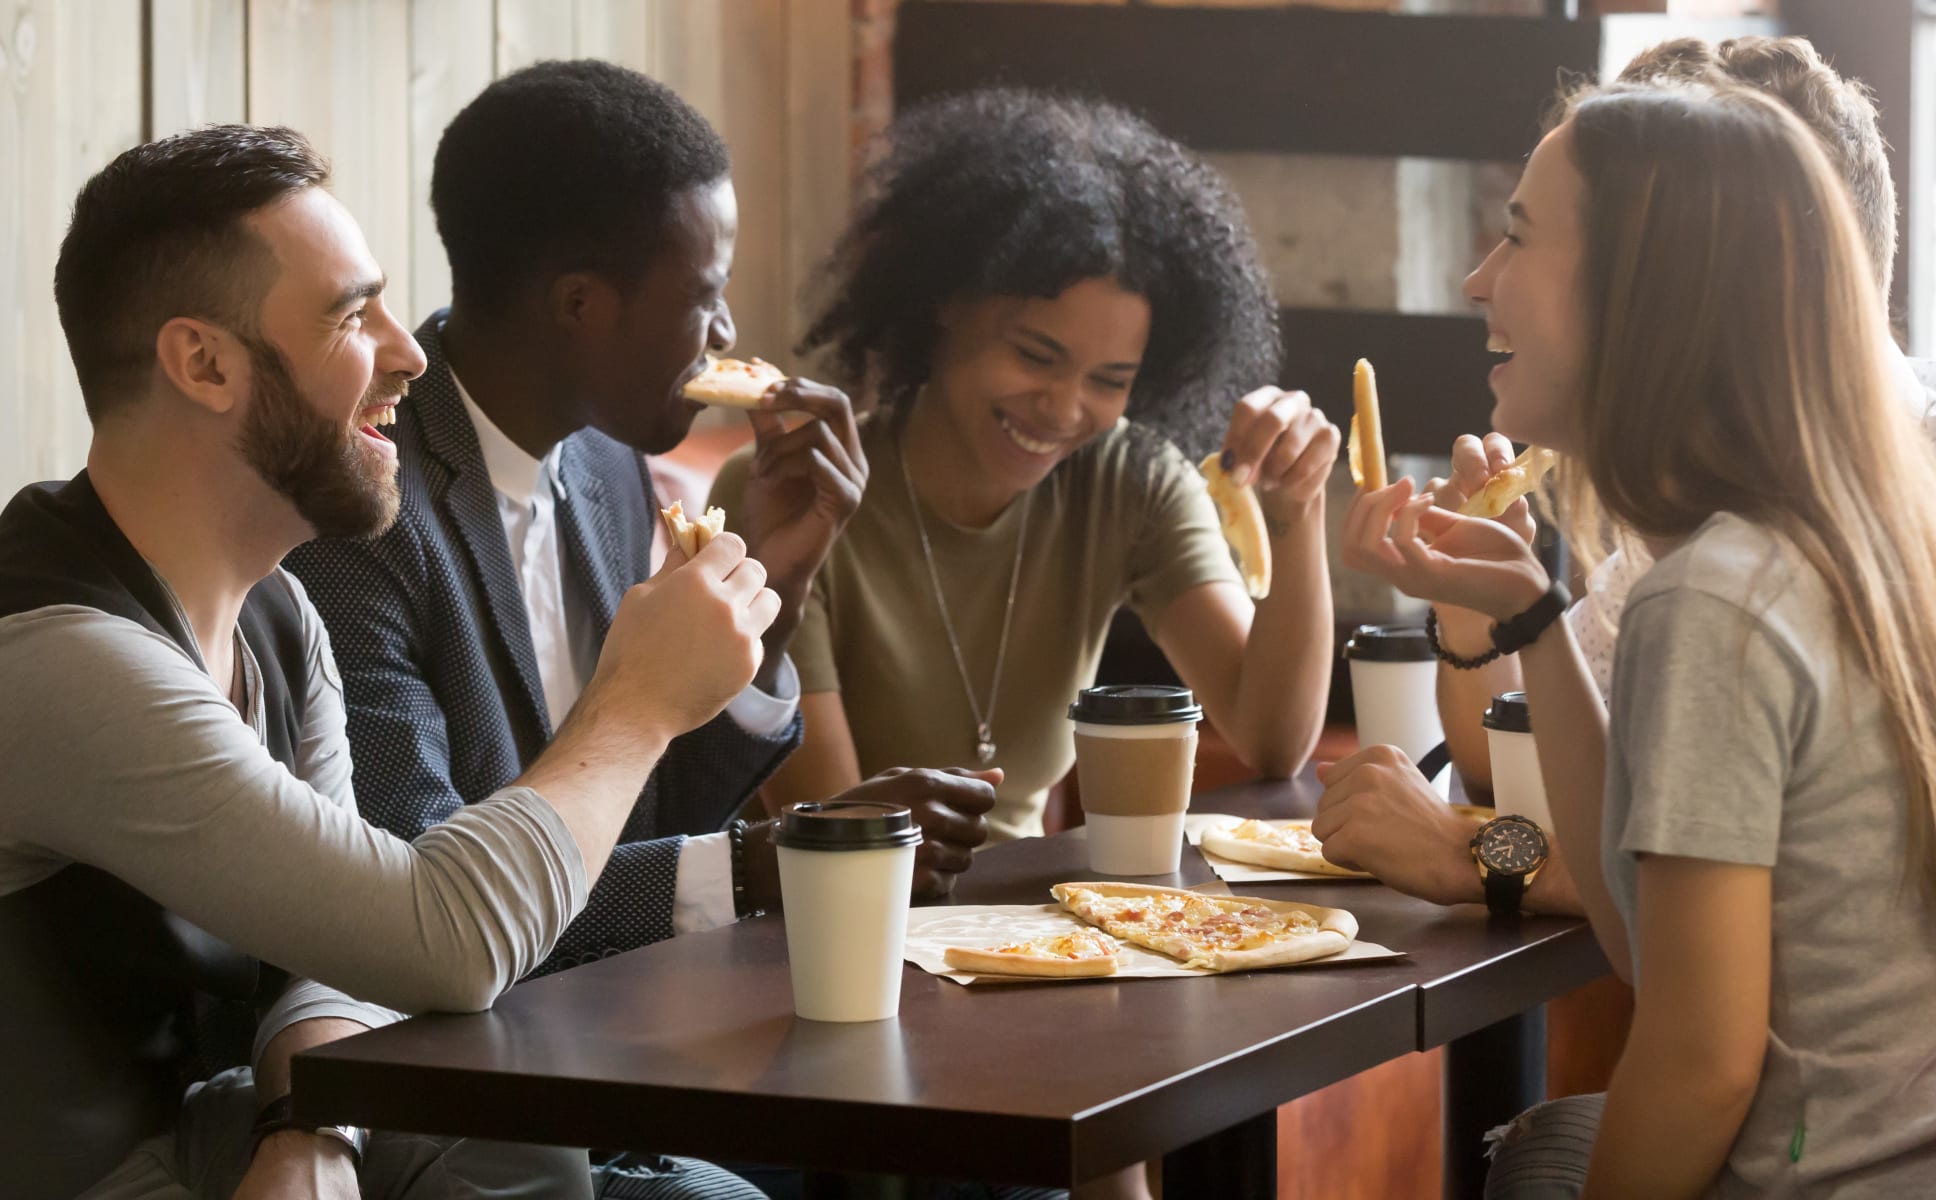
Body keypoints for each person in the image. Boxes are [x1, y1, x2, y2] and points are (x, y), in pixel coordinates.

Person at [1, 124, 779, 1199]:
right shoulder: (57, 658)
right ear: (205, 364)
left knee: (568, 1142)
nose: (408, 352)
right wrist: (636, 703)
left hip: (218, 1130)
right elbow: (440, 938)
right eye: (348, 315)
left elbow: (329, 948)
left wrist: (305, 1130)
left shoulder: (279, 610)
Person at [1338, 77, 1936, 1196]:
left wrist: (1472, 856)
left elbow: (1695, 1068)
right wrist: (1533, 621)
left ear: (1642, 297)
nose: (1473, 281)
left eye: (1515, 238)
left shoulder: (1714, 601)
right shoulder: (1847, 544)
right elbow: (1648, 932)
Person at [284, 61, 996, 981]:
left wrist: (774, 586)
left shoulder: (608, 464)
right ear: (580, 305)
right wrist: (764, 863)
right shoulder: (363, 516)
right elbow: (432, 903)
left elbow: (657, 821)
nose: (728, 333)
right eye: (706, 294)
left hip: (632, 1027)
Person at [715, 89, 1338, 842]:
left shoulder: (1129, 482)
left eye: (1110, 381)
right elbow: (841, 839)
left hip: (1027, 929)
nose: (1064, 409)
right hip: (817, 926)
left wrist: (1296, 512)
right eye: (1036, 356)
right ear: (945, 303)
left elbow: (1271, 740)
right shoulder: (791, 496)